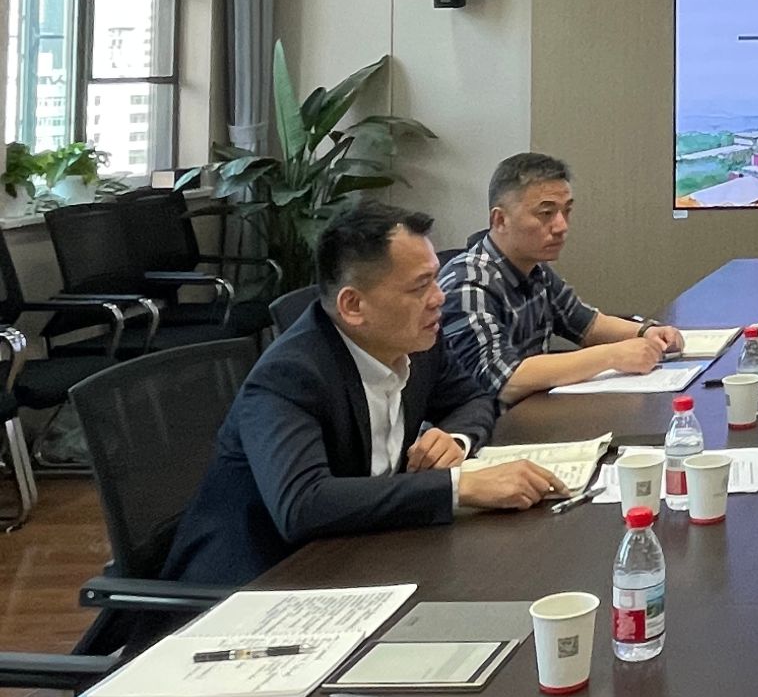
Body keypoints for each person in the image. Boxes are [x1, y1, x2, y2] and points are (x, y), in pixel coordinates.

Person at [160, 201, 563, 587]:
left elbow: (473, 399)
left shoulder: (417, 343)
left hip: (363, 552)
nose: (439, 297)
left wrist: (455, 439)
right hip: (257, 583)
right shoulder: (289, 375)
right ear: (353, 306)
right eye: (420, 286)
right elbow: (303, 504)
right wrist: (460, 486)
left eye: (435, 279)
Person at [439, 153, 686, 403]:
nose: (561, 226)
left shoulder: (535, 269)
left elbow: (586, 324)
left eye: (566, 211)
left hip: (531, 411)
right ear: (500, 220)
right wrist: (612, 356)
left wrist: (646, 331)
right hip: (486, 423)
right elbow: (504, 380)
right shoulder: (468, 284)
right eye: (546, 213)